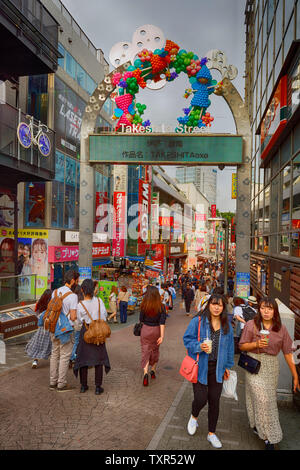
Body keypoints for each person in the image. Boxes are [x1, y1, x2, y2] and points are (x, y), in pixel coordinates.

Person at [239, 297, 299, 450]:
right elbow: (242, 346)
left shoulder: (281, 329)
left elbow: (287, 352)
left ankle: (256, 424)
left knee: (265, 399)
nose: (266, 311)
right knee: (263, 400)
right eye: (263, 308)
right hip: (254, 364)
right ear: (259, 309)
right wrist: (256, 344)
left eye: (270, 308)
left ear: (275, 311)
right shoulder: (251, 325)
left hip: (272, 366)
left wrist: (295, 375)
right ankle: (268, 437)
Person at [183, 294, 234, 449]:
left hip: (217, 368)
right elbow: (187, 339)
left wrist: (228, 367)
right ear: (208, 305)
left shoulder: (227, 326)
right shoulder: (198, 322)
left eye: (220, 305)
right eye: (214, 304)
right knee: (201, 398)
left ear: (224, 307)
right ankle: (194, 416)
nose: (217, 307)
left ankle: (211, 433)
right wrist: (199, 346)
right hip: (201, 367)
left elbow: (230, 348)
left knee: (214, 401)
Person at [73, 279, 111, 395]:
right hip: (98, 332)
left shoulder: (80, 305)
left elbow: (78, 323)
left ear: (83, 290)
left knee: (83, 359)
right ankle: (98, 387)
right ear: (94, 289)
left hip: (87, 332)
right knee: (99, 360)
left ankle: (84, 386)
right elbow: (104, 316)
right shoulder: (99, 301)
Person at [49, 270, 79, 392]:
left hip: (54, 327)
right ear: (72, 280)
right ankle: (61, 383)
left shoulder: (55, 292)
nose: (77, 282)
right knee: (65, 356)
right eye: (77, 280)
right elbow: (73, 317)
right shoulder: (73, 296)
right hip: (66, 330)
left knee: (54, 354)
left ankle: (52, 382)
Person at [139, 286, 166, 386]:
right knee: (155, 350)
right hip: (156, 330)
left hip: (145, 329)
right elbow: (162, 322)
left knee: (145, 350)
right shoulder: (161, 306)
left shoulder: (144, 305)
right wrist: (162, 336)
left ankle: (145, 373)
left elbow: (140, 319)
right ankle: (153, 370)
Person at [25, 289, 52, 368]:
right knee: (51, 345)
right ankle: (55, 361)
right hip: (49, 328)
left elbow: (36, 314)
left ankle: (35, 361)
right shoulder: (51, 306)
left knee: (37, 345)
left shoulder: (39, 304)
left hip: (41, 328)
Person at [69, 284, 84, 367]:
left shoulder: (72, 300)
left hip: (72, 324)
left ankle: (72, 356)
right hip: (79, 325)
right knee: (77, 341)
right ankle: (72, 357)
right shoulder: (82, 302)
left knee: (73, 341)